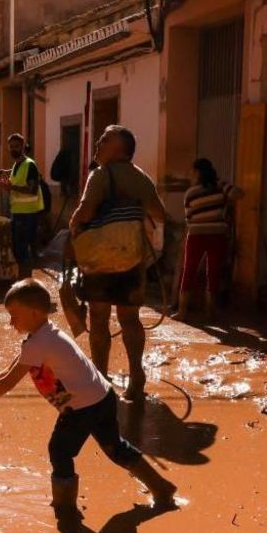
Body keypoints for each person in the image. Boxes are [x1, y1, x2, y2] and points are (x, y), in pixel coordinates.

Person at [0, 279, 177, 528]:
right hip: (101, 395)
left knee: (60, 450)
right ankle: (161, 487)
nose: (11, 322)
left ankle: (66, 509)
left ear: (34, 312)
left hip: (82, 407)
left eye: (14, 315)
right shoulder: (45, 334)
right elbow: (7, 371)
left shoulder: (38, 343)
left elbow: (10, 381)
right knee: (115, 447)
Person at [69, 125, 167, 402]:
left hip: (99, 260)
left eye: (105, 139)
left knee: (98, 318)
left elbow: (86, 211)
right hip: (132, 258)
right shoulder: (141, 178)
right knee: (130, 318)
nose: (98, 142)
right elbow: (159, 215)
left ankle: (100, 378)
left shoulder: (100, 175)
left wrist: (73, 227)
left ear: (120, 148)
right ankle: (136, 377)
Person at [174, 158, 243, 321]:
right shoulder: (221, 186)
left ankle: (182, 312)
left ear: (197, 172)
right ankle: (210, 313)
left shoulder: (190, 193)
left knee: (189, 271)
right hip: (217, 234)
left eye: (192, 170)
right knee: (213, 272)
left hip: (196, 234)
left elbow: (188, 218)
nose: (190, 173)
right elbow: (239, 193)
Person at [3, 134, 44, 278]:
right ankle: (24, 283)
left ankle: (26, 284)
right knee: (17, 250)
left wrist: (11, 187)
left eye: (16, 146)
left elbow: (32, 190)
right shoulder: (16, 165)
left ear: (22, 146)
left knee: (23, 251)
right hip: (17, 212)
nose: (13, 149)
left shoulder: (29, 165)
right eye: (11, 146)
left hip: (27, 214)